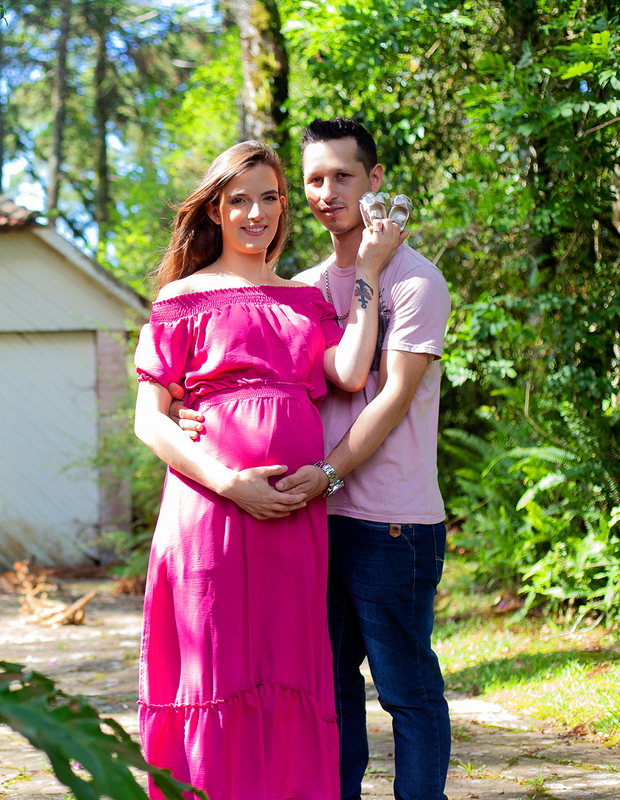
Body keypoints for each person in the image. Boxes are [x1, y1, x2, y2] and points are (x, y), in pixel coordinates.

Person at [173, 119, 452, 800]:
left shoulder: (414, 284)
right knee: (329, 689)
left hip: (390, 522)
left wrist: (327, 471)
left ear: (375, 181)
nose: (328, 193)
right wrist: (195, 413)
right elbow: (253, 374)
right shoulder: (299, 285)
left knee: (405, 689)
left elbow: (385, 400)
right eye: (315, 180)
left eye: (343, 177)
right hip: (313, 522)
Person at [132, 140, 403, 800]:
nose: (256, 213)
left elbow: (346, 372)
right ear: (216, 211)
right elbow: (150, 419)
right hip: (211, 516)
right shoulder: (183, 297)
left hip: (291, 521)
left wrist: (367, 269)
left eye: (270, 198)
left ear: (285, 206)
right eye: (239, 200)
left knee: (287, 670)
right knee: (215, 669)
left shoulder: (304, 300)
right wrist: (231, 484)